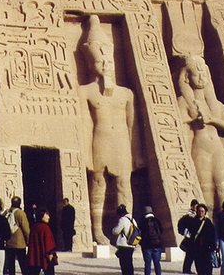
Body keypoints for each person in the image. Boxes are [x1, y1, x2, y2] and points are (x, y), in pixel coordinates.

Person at [79, 15, 141, 244]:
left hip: (121, 141)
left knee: (125, 183)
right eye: (99, 61)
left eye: (108, 60)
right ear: (89, 63)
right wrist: (85, 154)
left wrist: (138, 154)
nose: (105, 64)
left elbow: (132, 125)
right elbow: (85, 125)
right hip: (100, 140)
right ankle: (97, 230)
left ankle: (128, 232)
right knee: (98, 182)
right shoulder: (85, 91)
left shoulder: (126, 94)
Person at [177, 56, 224, 210]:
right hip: (200, 149)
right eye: (197, 74)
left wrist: (212, 120)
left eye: (204, 74)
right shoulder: (184, 102)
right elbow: (177, 124)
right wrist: (193, 118)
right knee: (206, 193)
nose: (201, 78)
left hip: (218, 150)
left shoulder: (217, 105)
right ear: (187, 78)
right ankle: (209, 229)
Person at [27, 209, 58, 275]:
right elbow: (48, 243)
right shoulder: (45, 228)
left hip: (35, 257)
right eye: (46, 215)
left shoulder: (34, 227)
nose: (48, 217)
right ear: (41, 215)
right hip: (45, 257)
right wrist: (50, 253)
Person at [192, 204, 217, 275]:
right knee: (199, 268)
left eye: (202, 211)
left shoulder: (208, 222)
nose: (200, 213)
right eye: (199, 211)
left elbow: (212, 234)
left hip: (206, 248)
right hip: (197, 248)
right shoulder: (193, 221)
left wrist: (213, 246)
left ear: (205, 212)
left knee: (208, 267)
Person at [138, 206, 163, 275]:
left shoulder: (142, 221)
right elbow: (161, 231)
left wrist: (141, 243)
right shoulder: (157, 220)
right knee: (157, 263)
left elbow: (139, 233)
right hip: (157, 244)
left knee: (147, 263)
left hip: (146, 245)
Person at [111, 204, 135, 275]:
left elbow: (116, 231)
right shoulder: (133, 220)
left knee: (124, 265)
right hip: (131, 244)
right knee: (129, 264)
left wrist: (113, 229)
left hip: (124, 245)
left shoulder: (123, 220)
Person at [178, 199, 199, 274]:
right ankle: (186, 269)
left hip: (196, 237)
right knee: (189, 255)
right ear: (192, 206)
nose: (196, 208)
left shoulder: (197, 214)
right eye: (195, 206)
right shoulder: (188, 215)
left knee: (192, 255)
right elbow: (184, 226)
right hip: (190, 237)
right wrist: (186, 234)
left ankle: (188, 269)